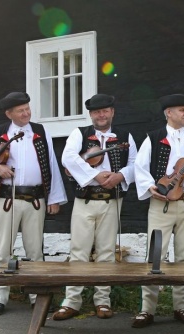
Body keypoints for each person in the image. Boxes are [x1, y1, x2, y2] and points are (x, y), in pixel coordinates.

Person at [132, 94, 184, 328]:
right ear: (168, 113)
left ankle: (181, 307)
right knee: (155, 255)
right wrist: (150, 187)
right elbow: (140, 167)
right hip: (161, 204)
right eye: (181, 110)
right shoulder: (154, 137)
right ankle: (147, 309)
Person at [0, 92, 67, 316]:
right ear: (9, 114)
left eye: (27, 108)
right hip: (6, 199)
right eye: (21, 110)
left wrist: (54, 198)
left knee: (35, 250)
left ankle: (37, 296)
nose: (26, 113)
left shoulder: (40, 131)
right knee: (2, 250)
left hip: (35, 200)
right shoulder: (0, 133)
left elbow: (51, 164)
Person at [52, 94, 137, 321]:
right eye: (97, 112)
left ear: (112, 112)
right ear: (91, 115)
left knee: (107, 252)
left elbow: (135, 164)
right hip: (85, 200)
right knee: (78, 251)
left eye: (106, 110)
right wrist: (95, 175)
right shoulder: (79, 134)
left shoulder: (125, 136)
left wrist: (120, 175)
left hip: (112, 201)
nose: (102, 115)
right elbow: (68, 158)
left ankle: (103, 301)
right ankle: (72, 301)